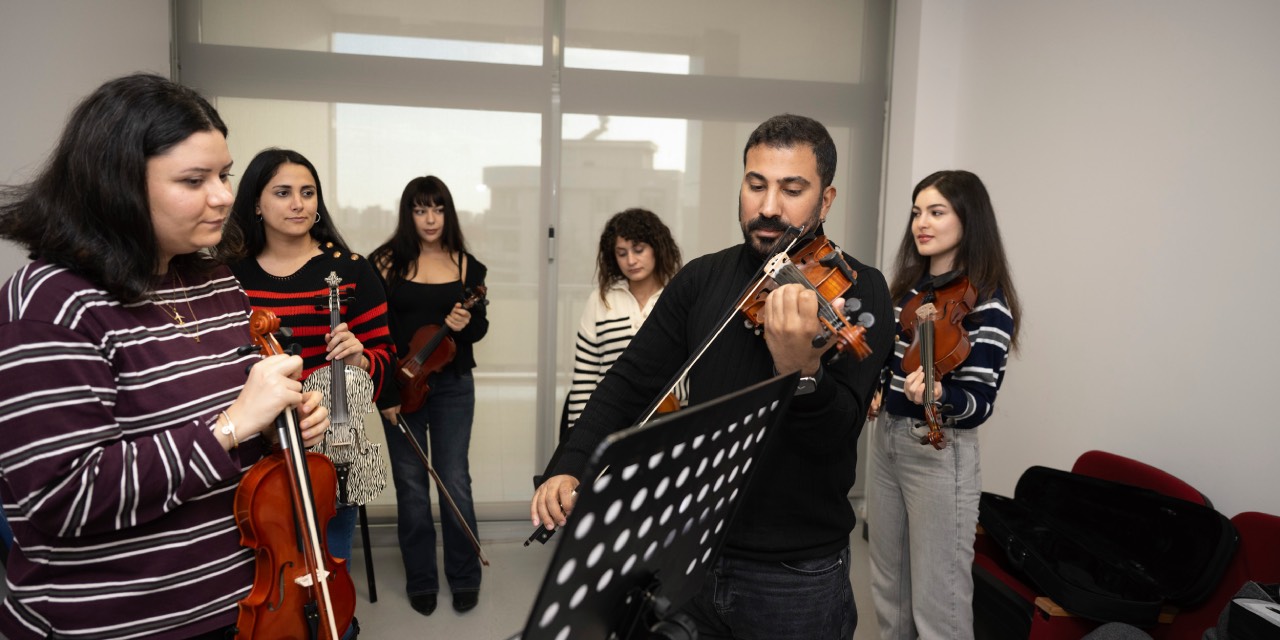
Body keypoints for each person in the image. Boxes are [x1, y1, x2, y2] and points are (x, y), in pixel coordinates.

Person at [531, 114, 894, 640]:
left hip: (794, 576)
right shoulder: (702, 278)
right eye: (756, 184)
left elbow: (836, 434)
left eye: (792, 189)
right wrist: (572, 463)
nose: (768, 206)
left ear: (826, 199)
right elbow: (631, 382)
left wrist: (802, 370)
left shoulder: (860, 291)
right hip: (691, 554)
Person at [0, 73, 329, 639]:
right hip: (118, 623)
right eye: (194, 179)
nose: (225, 195)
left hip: (247, 604)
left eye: (224, 174)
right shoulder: (49, 304)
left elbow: (243, 437)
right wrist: (230, 426)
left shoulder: (215, 282)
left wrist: (285, 426)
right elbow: (61, 498)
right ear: (117, 186)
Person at [219, 148, 394, 564]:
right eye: (282, 192)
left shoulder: (351, 270)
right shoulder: (228, 275)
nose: (298, 203)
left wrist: (361, 361)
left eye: (308, 192)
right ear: (256, 204)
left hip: (327, 449)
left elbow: (385, 361)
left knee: (325, 574)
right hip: (249, 449)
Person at [867, 170, 1021, 640]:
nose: (921, 223)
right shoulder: (907, 296)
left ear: (968, 221)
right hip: (887, 441)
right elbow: (890, 363)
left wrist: (939, 395)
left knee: (940, 606)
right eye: (917, 212)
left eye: (936, 212)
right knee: (889, 594)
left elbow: (978, 403)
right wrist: (876, 387)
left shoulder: (987, 306)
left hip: (938, 452)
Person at [370, 175, 488, 617]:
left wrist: (463, 324)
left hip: (454, 385)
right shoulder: (385, 264)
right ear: (409, 214)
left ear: (448, 213)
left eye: (437, 209)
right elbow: (374, 332)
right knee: (412, 485)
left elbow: (478, 330)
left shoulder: (466, 266)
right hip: (401, 388)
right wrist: (385, 391)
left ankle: (464, 575)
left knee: (454, 480)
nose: (430, 218)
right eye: (421, 209)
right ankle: (421, 578)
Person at [565, 207, 683, 434]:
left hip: (667, 422)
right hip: (608, 423)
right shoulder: (600, 300)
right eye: (621, 253)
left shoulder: (677, 296)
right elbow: (585, 377)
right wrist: (576, 439)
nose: (631, 260)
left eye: (638, 250)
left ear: (656, 248)